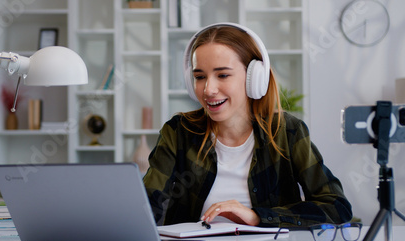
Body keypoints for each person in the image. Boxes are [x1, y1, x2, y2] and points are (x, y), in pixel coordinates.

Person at [143, 23, 352, 228]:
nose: (208, 89)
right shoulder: (179, 131)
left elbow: (336, 207)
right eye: (199, 77)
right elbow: (146, 206)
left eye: (223, 75)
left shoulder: (287, 132)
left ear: (254, 77)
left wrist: (258, 217)